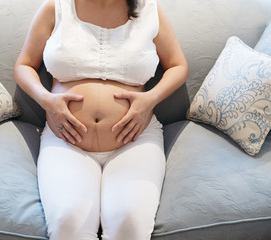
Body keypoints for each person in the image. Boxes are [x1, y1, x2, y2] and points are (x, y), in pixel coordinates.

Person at [14, 0, 188, 238]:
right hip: (66, 141)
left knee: (130, 223)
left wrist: (150, 99)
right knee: (68, 222)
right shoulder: (56, 7)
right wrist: (46, 100)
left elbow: (178, 65)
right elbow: (24, 65)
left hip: (135, 140)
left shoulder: (150, 10)